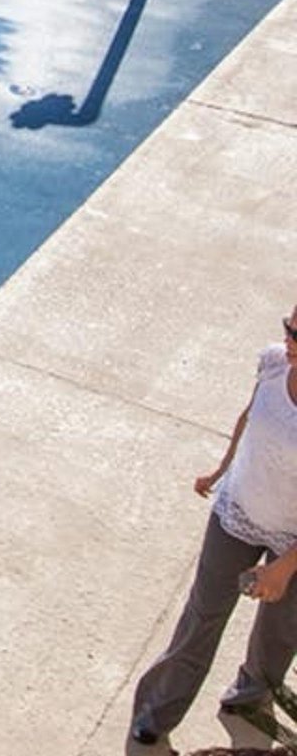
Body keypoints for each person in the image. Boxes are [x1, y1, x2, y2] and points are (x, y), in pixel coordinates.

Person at [129, 300, 297, 747]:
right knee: (201, 618)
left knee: (280, 630)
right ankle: (156, 711)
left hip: (293, 541)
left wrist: (284, 568)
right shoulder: (274, 363)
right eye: (289, 328)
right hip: (237, 514)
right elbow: (250, 414)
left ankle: (250, 695)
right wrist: (221, 469)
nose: (289, 342)